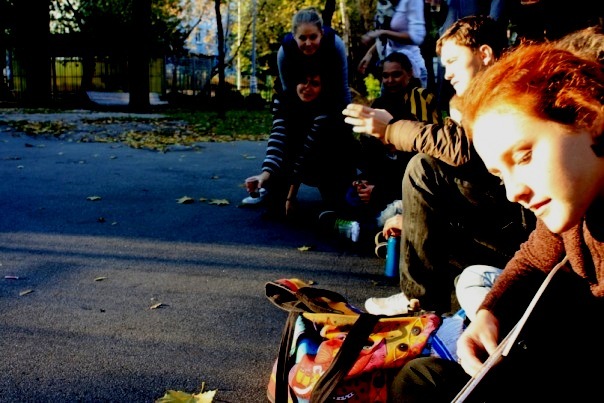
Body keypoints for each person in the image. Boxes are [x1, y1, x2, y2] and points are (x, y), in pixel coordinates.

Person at [390, 40, 604, 402]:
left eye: (523, 157)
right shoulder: (572, 206)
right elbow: (534, 259)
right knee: (418, 379)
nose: (513, 192)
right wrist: (490, 313)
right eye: (501, 176)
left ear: (588, 116)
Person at [343, 15, 534, 316]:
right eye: (445, 65)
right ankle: (424, 294)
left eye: (453, 61)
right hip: (503, 217)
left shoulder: (511, 91)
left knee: (423, 169)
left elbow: (461, 149)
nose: (448, 74)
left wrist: (391, 129)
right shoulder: (475, 98)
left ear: (484, 54)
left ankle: (420, 299)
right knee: (424, 173)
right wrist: (413, 218)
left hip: (521, 229)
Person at [327, 51, 442, 248]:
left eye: (396, 75)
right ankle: (367, 226)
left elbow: (423, 155)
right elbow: (374, 155)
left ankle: (369, 231)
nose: (390, 81)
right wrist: (365, 182)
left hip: (411, 180)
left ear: (409, 73)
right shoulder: (380, 103)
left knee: (392, 207)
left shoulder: (419, 98)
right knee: (352, 195)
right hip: (385, 179)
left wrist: (379, 191)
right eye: (385, 76)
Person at [244, 63, 358, 221]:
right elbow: (278, 139)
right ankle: (270, 191)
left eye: (314, 83)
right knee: (276, 210)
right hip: (298, 153)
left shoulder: (329, 108)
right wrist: (264, 175)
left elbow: (306, 153)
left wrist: (290, 196)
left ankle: (339, 196)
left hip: (330, 159)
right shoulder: (284, 100)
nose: (307, 88)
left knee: (340, 206)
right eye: (303, 81)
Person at [277, 7, 351, 111]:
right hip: (299, 93)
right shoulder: (285, 52)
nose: (308, 43)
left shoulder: (335, 45)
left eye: (313, 37)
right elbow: (287, 90)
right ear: (294, 36)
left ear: (321, 33)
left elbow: (342, 88)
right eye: (302, 38)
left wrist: (347, 113)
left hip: (328, 91)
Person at [358, 0, 429, 89]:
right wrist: (370, 53)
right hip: (390, 68)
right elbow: (388, 36)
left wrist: (383, 33)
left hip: (410, 71)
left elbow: (417, 37)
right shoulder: (385, 4)